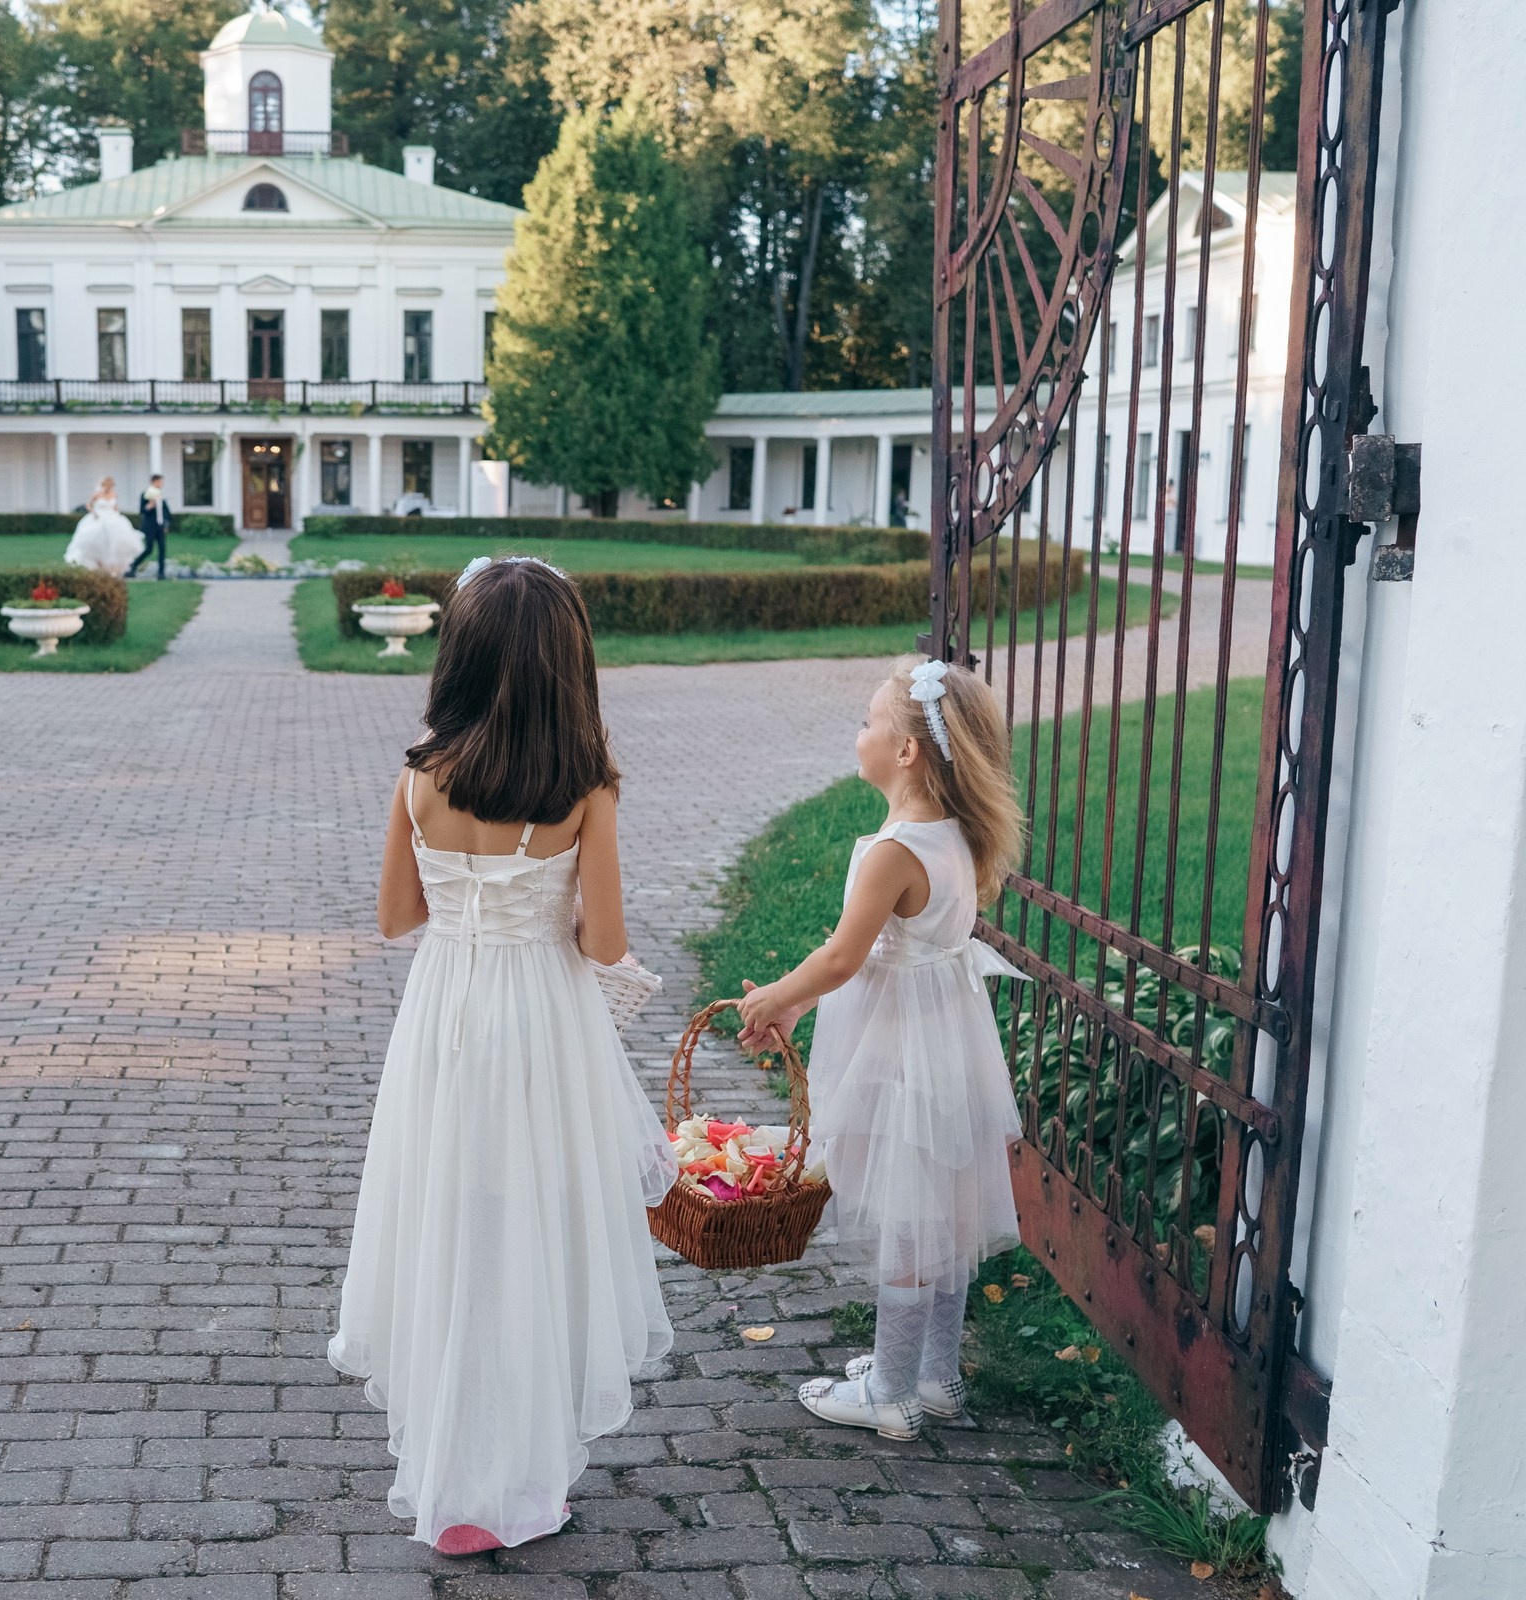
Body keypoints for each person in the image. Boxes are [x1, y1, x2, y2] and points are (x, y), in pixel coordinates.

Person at [330, 556, 676, 1555]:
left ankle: (453, 1480)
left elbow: (399, 917)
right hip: (540, 1026)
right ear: (573, 665)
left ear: (460, 658)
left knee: (450, 1225)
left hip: (445, 1017)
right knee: (530, 1229)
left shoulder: (419, 779)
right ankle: (520, 1479)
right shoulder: (586, 789)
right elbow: (604, 944)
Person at [735, 657, 1026, 1440]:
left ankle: (890, 1393)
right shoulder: (956, 836)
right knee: (941, 1214)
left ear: (906, 752)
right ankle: (934, 1376)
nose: (858, 734)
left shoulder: (893, 852)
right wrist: (799, 1007)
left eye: (869, 721)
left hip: (899, 1056)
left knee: (908, 1218)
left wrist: (776, 998)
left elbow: (841, 956)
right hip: (948, 1047)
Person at [61, 475, 144, 574]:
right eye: (107, 485)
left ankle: (112, 564)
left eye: (111, 486)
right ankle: (97, 561)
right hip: (99, 517)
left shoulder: (114, 494)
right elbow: (88, 504)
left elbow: (115, 506)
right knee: (95, 537)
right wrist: (94, 512)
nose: (109, 487)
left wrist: (116, 514)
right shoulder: (98, 494)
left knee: (115, 539)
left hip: (112, 518)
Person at [126, 472, 169, 579]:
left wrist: (166, 523)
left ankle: (161, 573)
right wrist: (149, 506)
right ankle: (133, 565)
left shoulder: (160, 495)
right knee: (149, 549)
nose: (161, 484)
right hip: (150, 526)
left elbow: (165, 511)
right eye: (159, 481)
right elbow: (142, 510)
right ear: (154, 482)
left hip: (160, 526)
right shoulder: (145, 494)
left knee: (162, 548)